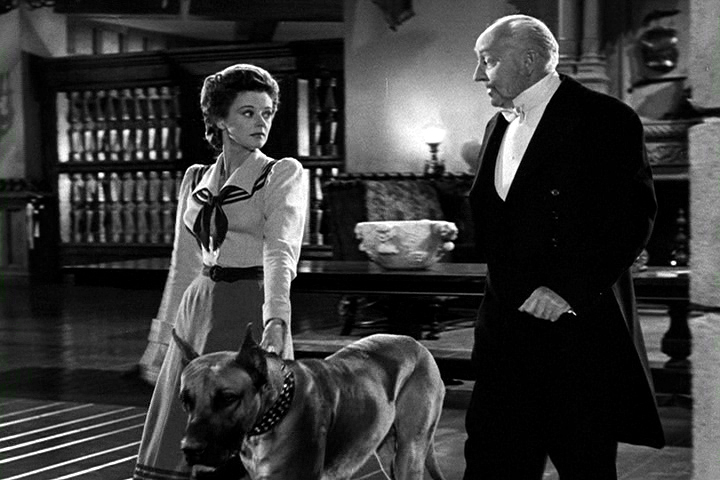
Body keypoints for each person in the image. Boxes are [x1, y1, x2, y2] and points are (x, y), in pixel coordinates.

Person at [464, 14, 665, 479]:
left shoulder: (606, 118)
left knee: (584, 464)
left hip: (575, 334)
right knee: (492, 463)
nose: (478, 75)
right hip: (504, 332)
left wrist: (566, 290)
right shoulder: (497, 125)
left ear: (529, 60)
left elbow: (633, 216)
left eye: (488, 61)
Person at [133, 64, 307, 480]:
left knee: (239, 423)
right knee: (188, 424)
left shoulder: (280, 173)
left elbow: (280, 252)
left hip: (248, 306)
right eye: (248, 112)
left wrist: (276, 320)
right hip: (197, 309)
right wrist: (161, 336)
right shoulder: (195, 178)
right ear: (220, 119)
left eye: (267, 113)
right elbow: (183, 263)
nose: (261, 122)